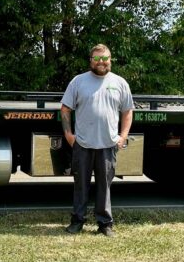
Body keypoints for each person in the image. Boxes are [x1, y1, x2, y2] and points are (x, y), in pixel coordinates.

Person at [60, 44, 134, 237]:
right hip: (83, 144)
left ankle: (105, 224)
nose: (101, 62)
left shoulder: (120, 83)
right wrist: (69, 134)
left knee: (104, 186)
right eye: (97, 59)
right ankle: (77, 221)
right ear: (90, 60)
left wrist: (123, 136)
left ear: (110, 60)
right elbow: (66, 109)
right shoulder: (78, 81)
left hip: (108, 145)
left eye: (105, 58)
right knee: (80, 185)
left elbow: (127, 111)